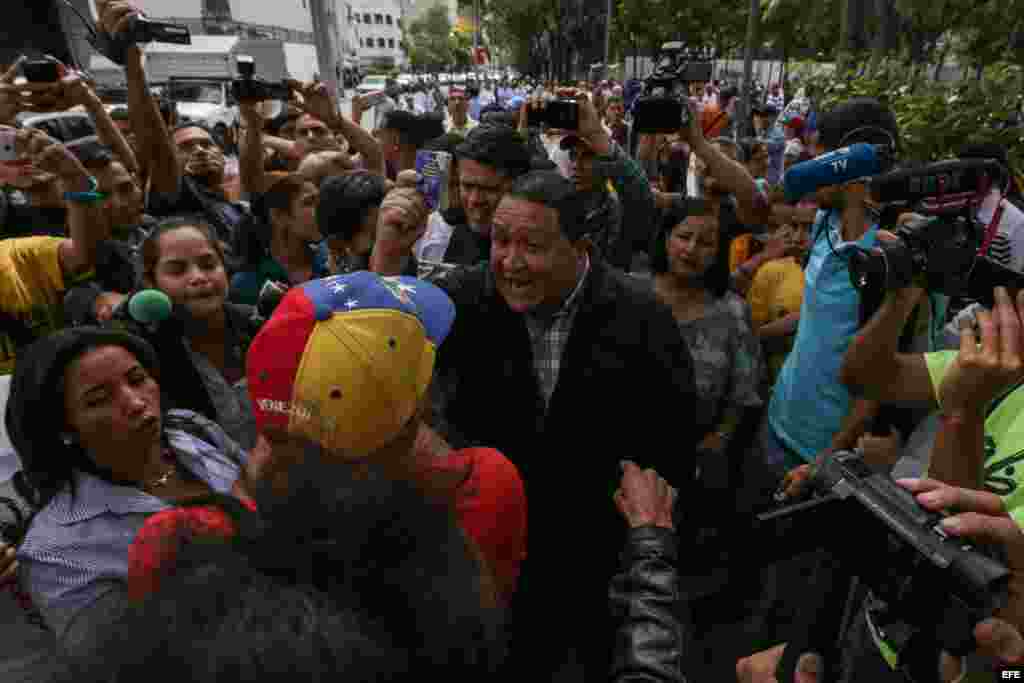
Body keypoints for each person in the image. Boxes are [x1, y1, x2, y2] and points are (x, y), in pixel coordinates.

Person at [375, 169, 701, 681]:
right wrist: (390, 253)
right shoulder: (464, 298)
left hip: (598, 561)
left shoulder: (641, 316)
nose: (510, 262)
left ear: (581, 247)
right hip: (489, 555)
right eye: (501, 241)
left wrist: (642, 535)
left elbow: (673, 440)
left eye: (532, 245)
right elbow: (377, 350)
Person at [9, 327, 247, 648]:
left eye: (137, 379)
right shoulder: (58, 554)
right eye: (99, 399)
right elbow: (122, 664)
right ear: (64, 428)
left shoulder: (192, 431)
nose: (136, 403)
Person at [132, 217, 262, 448]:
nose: (199, 277)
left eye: (208, 264)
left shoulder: (260, 325)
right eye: (177, 270)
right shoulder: (147, 356)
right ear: (151, 283)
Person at [557, 95, 657, 271]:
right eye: (573, 155)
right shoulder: (557, 205)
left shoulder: (621, 210)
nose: (576, 165)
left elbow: (639, 190)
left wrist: (596, 135)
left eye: (587, 156)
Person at [229, 174, 329, 306]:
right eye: (309, 202)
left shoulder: (333, 256)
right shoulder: (248, 282)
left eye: (320, 200)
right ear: (278, 215)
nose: (321, 209)